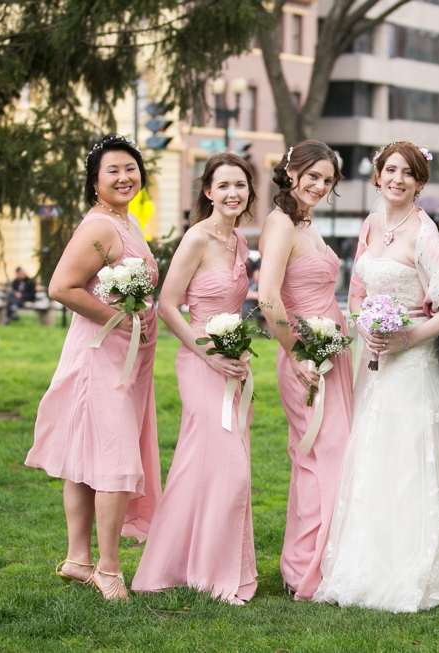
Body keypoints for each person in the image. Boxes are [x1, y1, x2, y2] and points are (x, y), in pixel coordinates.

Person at [315, 142, 439, 612]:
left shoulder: (425, 235)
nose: (397, 178)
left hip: (415, 367)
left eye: (407, 173)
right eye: (389, 169)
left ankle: (417, 570)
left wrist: (408, 336)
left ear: (419, 183)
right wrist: (364, 324)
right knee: (373, 459)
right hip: (374, 365)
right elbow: (356, 291)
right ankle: (367, 565)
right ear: (377, 176)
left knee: (411, 464)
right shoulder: (371, 224)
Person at [25, 134, 159, 601]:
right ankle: (108, 569)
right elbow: (61, 287)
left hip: (119, 356)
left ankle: (78, 560)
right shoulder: (100, 227)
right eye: (113, 171)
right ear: (95, 182)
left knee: (87, 458)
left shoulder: (125, 221)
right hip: (99, 355)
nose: (125, 178)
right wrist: (121, 320)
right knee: (115, 458)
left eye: (131, 169)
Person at [132, 153, 258, 605]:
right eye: (223, 185)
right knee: (230, 468)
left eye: (240, 185)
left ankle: (181, 563)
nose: (232, 193)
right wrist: (207, 353)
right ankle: (207, 569)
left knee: (202, 463)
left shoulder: (240, 240)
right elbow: (167, 304)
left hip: (233, 359)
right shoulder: (197, 238)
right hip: (199, 356)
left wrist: (237, 349)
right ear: (208, 192)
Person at [257, 140, 354, 600]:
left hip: (330, 352)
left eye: (327, 180)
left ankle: (327, 558)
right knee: (322, 451)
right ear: (290, 172)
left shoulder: (305, 222)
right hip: (304, 356)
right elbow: (268, 297)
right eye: (312, 175)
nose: (319, 185)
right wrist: (297, 354)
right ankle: (308, 568)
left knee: (327, 453)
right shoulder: (280, 224)